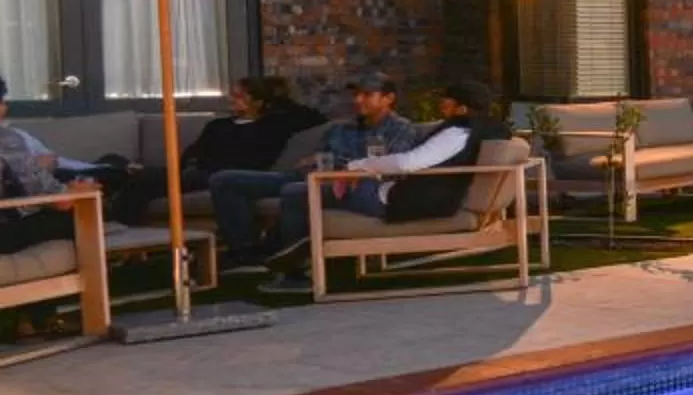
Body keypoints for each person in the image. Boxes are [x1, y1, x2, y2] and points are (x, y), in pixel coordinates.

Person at [259, 78, 501, 292]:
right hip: (406, 196)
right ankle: (285, 252)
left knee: (296, 193)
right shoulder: (480, 131)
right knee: (307, 192)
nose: (441, 104)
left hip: (396, 201)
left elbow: (407, 163)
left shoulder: (457, 133)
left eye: (446, 100)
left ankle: (291, 272)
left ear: (462, 107)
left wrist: (358, 166)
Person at [212, 74, 416, 268]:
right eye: (356, 94)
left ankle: (287, 261)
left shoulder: (400, 129)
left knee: (295, 191)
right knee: (225, 180)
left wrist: (340, 163)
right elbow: (319, 157)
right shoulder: (340, 128)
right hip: (306, 176)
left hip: (342, 184)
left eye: (367, 95)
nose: (358, 100)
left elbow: (389, 164)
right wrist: (313, 161)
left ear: (388, 98)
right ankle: (245, 252)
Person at [94, 76, 324, 226]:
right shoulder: (219, 125)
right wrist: (186, 164)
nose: (232, 100)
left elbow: (313, 118)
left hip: (217, 174)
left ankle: (117, 223)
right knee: (109, 162)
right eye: (232, 94)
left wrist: (277, 101)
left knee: (142, 181)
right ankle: (113, 192)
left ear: (259, 102)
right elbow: (192, 152)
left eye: (239, 96)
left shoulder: (273, 125)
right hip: (191, 171)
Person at [0, 79, 96, 254]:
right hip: (5, 232)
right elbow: (58, 201)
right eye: (2, 102)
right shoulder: (6, 140)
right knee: (80, 215)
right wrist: (74, 192)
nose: (5, 108)